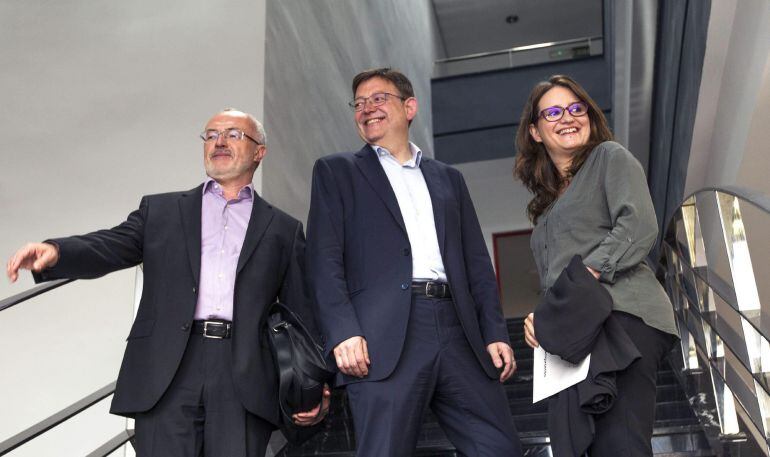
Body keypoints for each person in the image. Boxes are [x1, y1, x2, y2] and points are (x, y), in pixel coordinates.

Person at [5, 109, 329, 457]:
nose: (219, 141)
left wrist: (317, 383)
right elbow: (110, 245)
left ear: (259, 152)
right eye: (211, 134)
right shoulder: (161, 211)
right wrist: (57, 252)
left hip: (246, 375)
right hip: (168, 369)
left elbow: (301, 315)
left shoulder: (283, 228)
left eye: (233, 134)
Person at [306, 68, 523, 457]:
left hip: (459, 330)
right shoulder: (336, 171)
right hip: (382, 338)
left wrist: (494, 331)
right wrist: (342, 332)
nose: (367, 108)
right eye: (359, 103)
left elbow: (476, 263)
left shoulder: (449, 179)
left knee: (498, 447)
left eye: (378, 98)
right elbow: (323, 260)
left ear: (410, 107)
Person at [514, 75, 678, 456]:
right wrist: (541, 316)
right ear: (536, 131)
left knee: (620, 444)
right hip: (574, 333)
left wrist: (585, 278)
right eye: (553, 112)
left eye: (576, 108)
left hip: (622, 318)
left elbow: (638, 226)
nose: (567, 117)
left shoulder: (610, 157)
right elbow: (557, 279)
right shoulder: (545, 210)